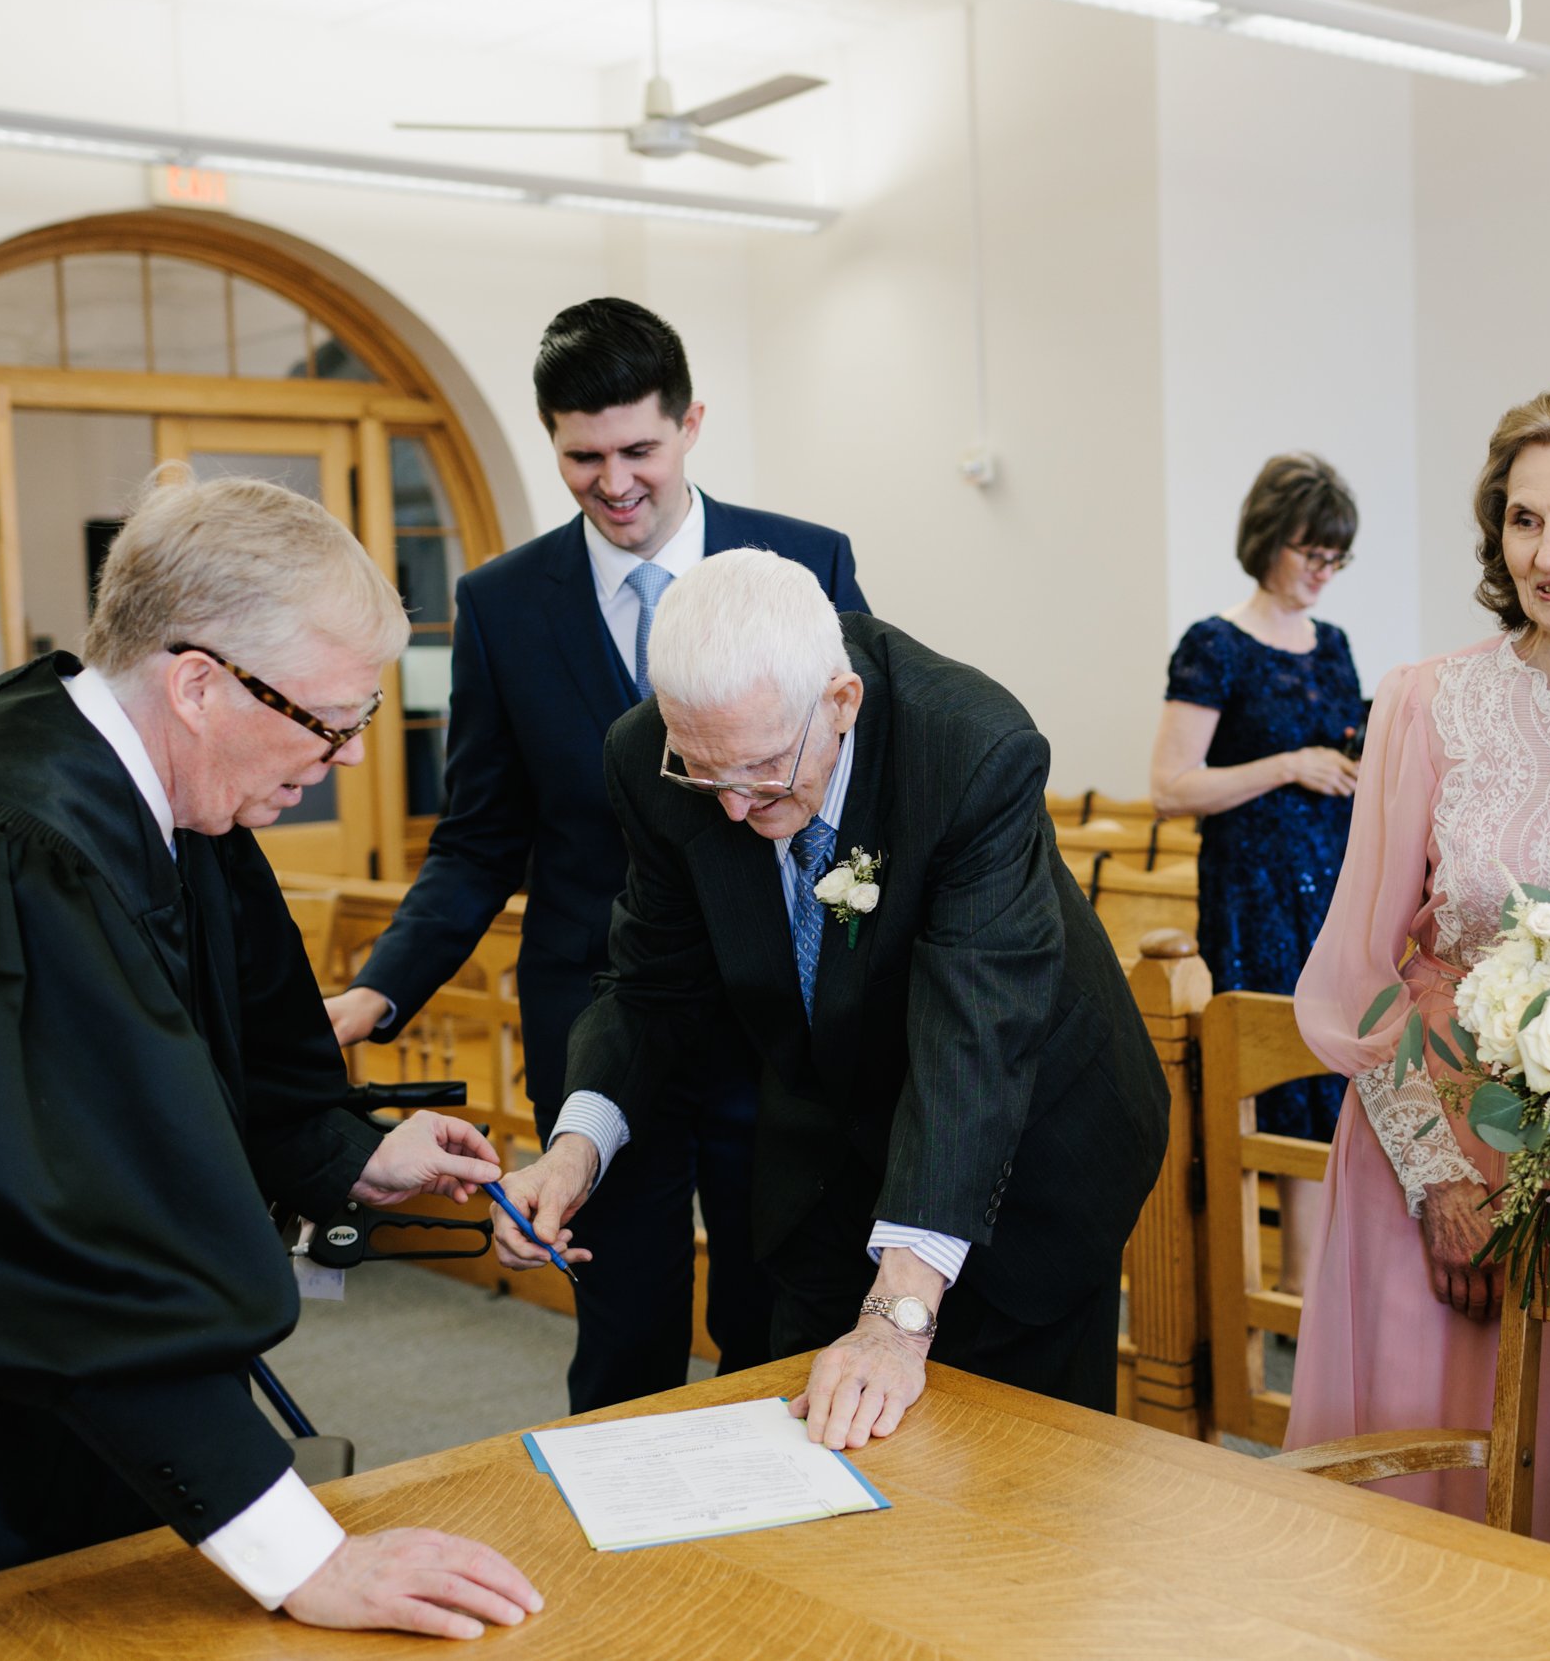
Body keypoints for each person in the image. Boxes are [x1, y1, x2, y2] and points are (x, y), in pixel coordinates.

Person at [0, 475, 541, 1638]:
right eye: (332, 720)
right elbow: (47, 1241)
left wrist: (352, 1156)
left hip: (81, 1405)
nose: (341, 758)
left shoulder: (176, 800)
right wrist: (298, 1548)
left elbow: (249, 1060)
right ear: (198, 683)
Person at [323, 297, 869, 1412]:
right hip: (598, 1015)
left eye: (638, 450)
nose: (614, 481)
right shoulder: (502, 603)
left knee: (772, 1308)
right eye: (583, 456)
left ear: (690, 425)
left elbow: (854, 786)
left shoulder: (805, 561)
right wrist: (377, 993)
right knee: (623, 1317)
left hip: (773, 1011)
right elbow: (477, 840)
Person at [489, 550, 1168, 1444]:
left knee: (1017, 1476)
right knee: (816, 1446)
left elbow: (976, 1038)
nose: (732, 808)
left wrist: (898, 1318)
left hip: (1027, 1150)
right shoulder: (652, 758)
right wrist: (575, 1153)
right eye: (706, 772)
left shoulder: (969, 748)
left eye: (764, 770)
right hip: (830, 1148)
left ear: (842, 701)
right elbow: (650, 984)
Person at [1284, 391, 1550, 1545]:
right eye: (1523, 519)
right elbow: (1368, 961)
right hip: (1429, 1157)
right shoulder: (1427, 699)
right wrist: (1440, 1180)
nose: (1548, 550)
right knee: (1418, 1520)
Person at [1151, 453, 1365, 1295]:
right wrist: (1290, 764)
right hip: (1256, 896)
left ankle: (1341, 1310)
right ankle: (1301, 1316)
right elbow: (1170, 788)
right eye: (1310, 552)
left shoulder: (1335, 645)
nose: (1322, 572)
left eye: (1335, 557)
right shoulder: (1215, 644)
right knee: (1287, 1096)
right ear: (1268, 540)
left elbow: (1339, 758)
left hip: (1334, 886)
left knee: (1343, 1100)